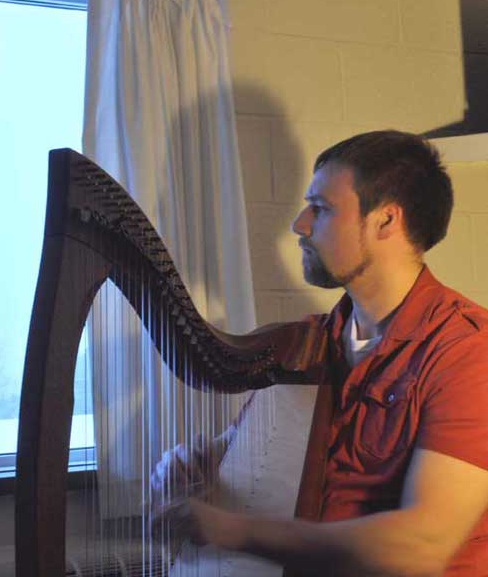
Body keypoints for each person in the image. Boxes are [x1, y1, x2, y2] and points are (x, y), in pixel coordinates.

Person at [152, 130, 488, 576]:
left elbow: (421, 547)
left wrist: (232, 530)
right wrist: (195, 466)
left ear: (386, 220)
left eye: (321, 208)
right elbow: (241, 453)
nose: (299, 224)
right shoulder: (311, 344)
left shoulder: (466, 353)